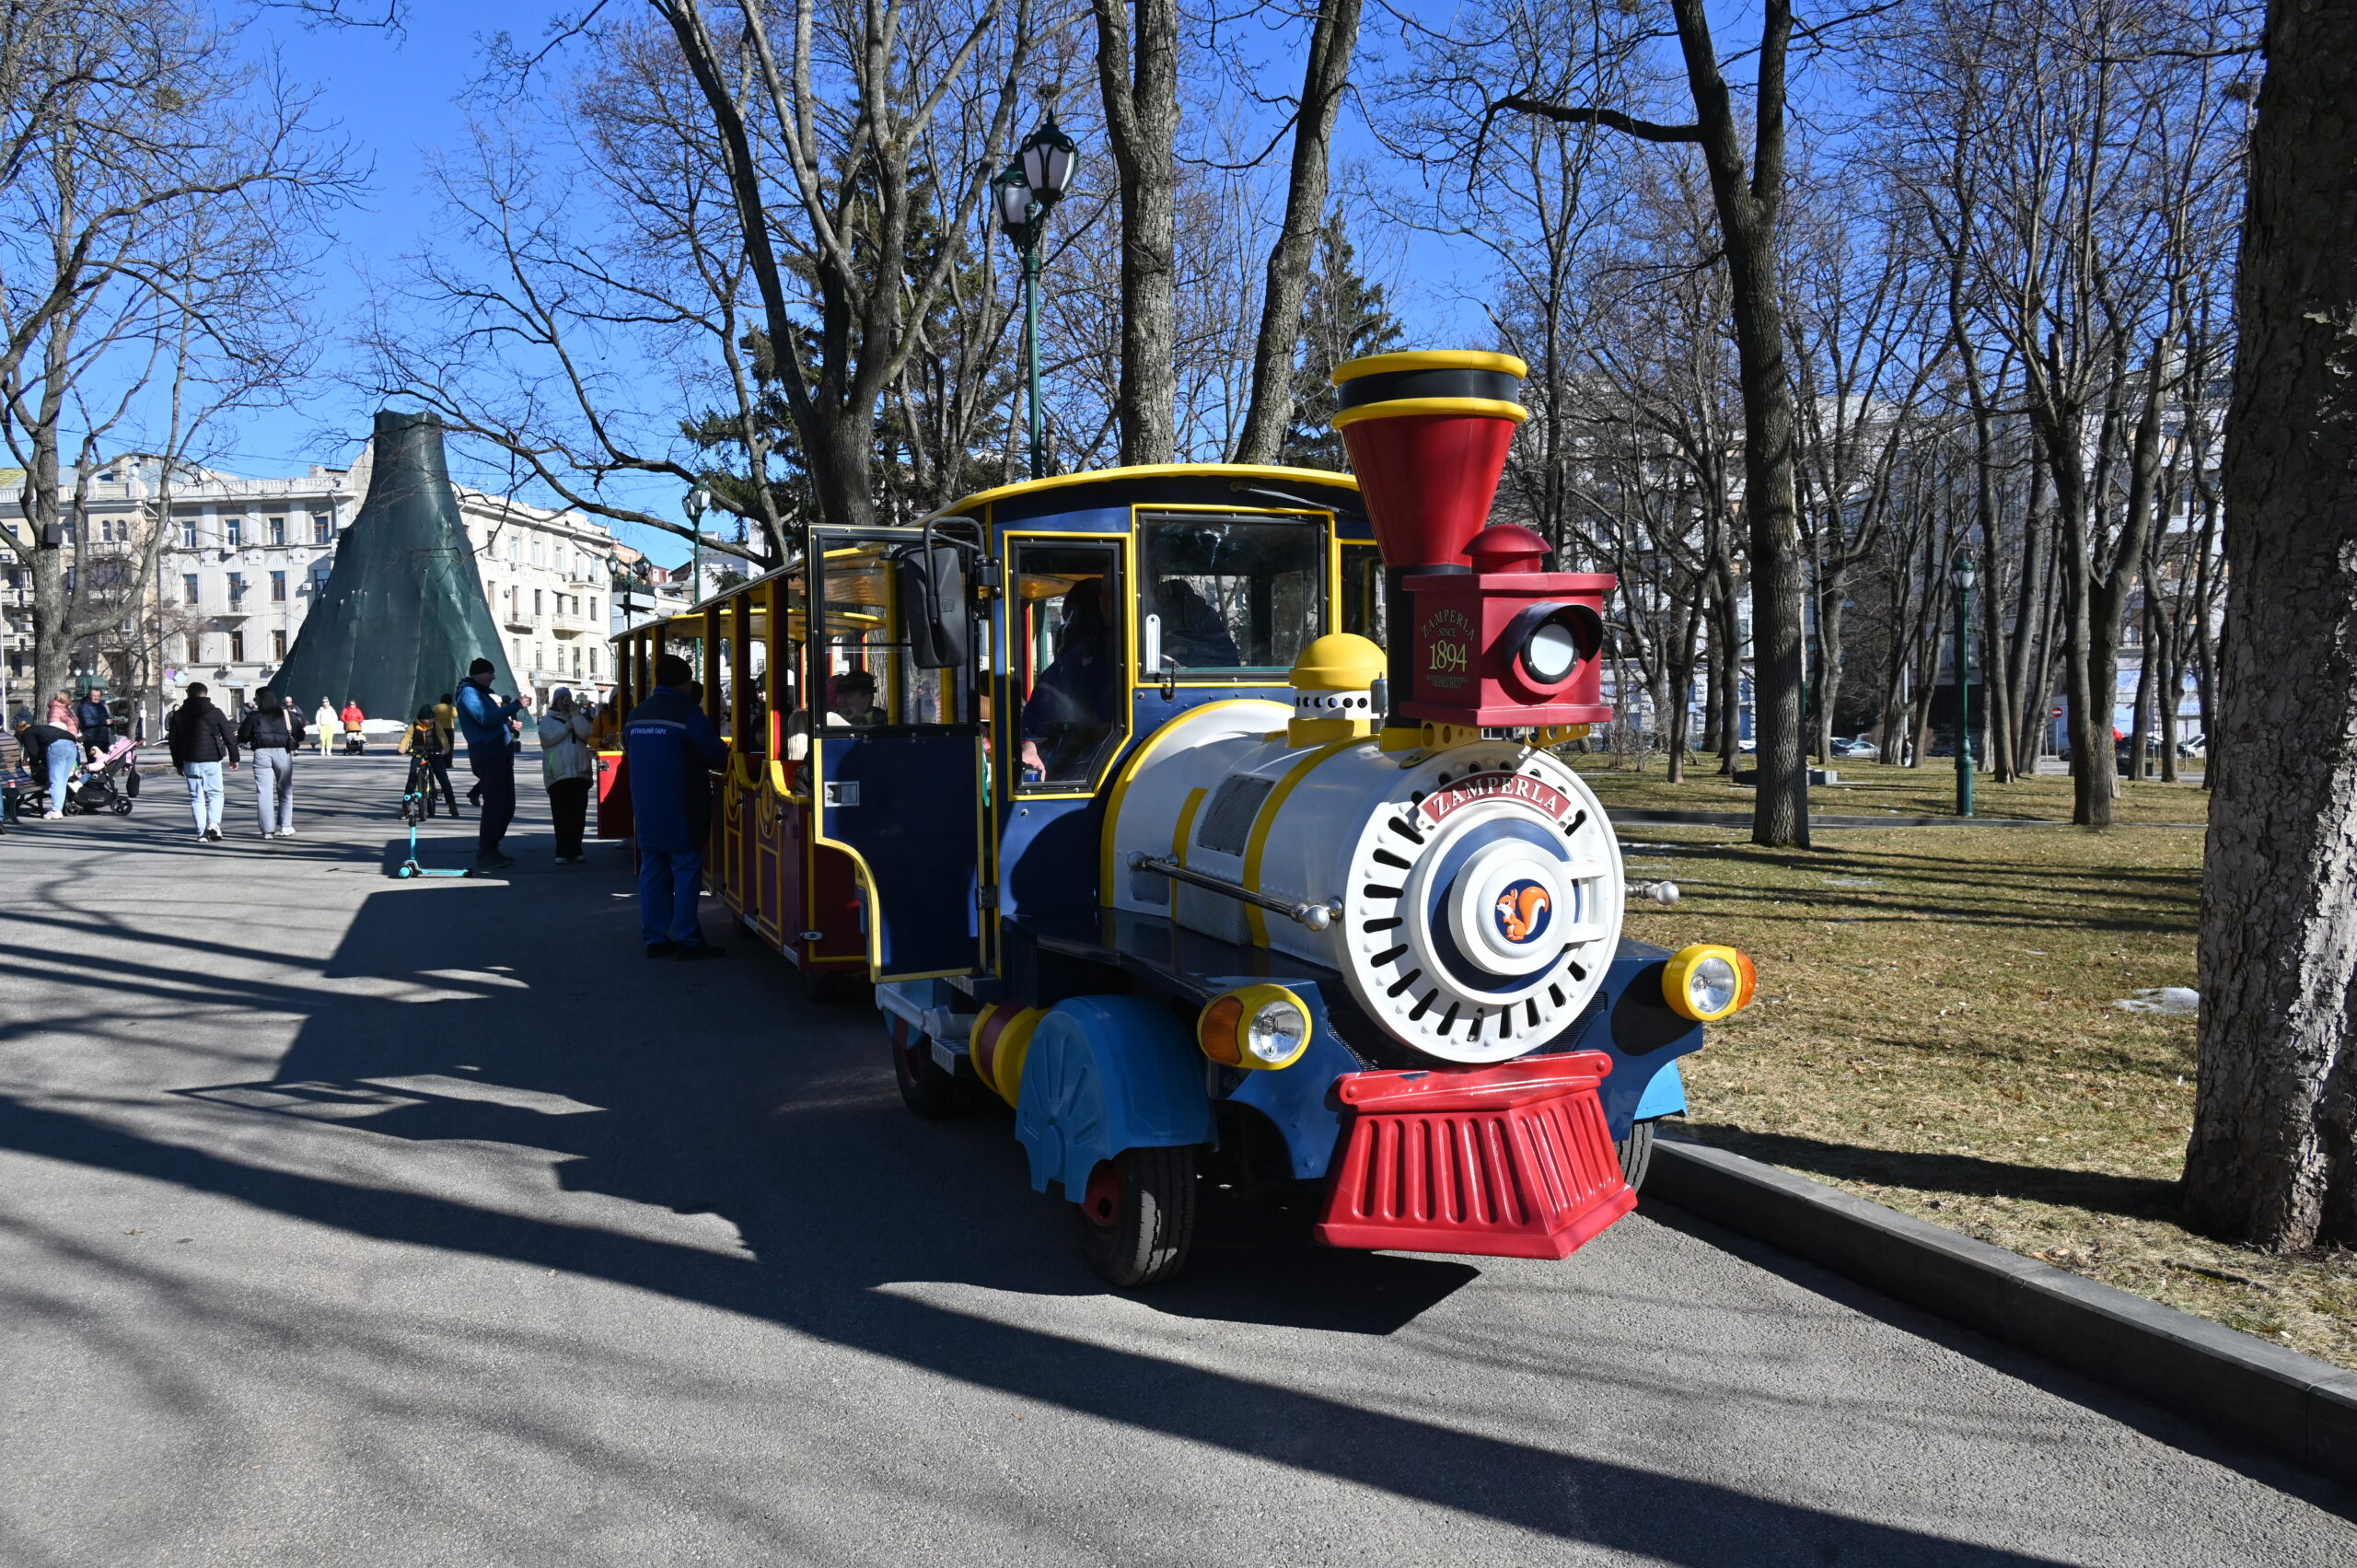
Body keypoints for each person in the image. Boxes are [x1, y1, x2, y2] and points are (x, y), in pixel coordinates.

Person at [623, 652, 726, 958]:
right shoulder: (688, 713)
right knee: (685, 871)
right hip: (682, 804)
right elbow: (715, 755)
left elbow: (629, 750)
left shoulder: (637, 714)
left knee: (653, 871)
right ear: (686, 682)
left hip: (646, 805)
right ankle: (688, 938)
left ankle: (655, 938)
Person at [1019, 578, 1116, 779]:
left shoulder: (1076, 662)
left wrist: (1029, 743)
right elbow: (1037, 718)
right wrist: (1028, 745)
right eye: (1103, 594)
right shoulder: (1076, 662)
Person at [455, 657, 528, 872]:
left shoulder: (480, 693)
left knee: (506, 806)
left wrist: (508, 726)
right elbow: (485, 718)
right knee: (496, 806)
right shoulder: (469, 693)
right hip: (489, 755)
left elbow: (490, 721)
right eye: (490, 673)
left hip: (499, 755)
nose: (494, 677)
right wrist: (516, 705)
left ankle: (492, 848)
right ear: (478, 673)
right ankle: (487, 851)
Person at [166, 681, 238, 842]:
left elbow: (173, 742)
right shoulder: (216, 712)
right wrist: (234, 758)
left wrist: (178, 764)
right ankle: (213, 824)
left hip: (190, 761)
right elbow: (229, 736)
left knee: (196, 797)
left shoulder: (178, 715)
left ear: (188, 694)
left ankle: (200, 833)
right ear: (205, 694)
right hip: (212, 759)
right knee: (216, 794)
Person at [235, 685, 304, 839]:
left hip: (261, 753)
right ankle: (286, 826)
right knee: (285, 790)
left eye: (256, 698)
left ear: (260, 699)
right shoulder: (287, 715)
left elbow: (242, 735)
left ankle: (267, 830)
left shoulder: (254, 716)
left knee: (263, 792)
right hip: (283, 753)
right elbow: (300, 733)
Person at [539, 686, 595, 864]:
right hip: (558, 774)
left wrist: (575, 715)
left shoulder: (578, 717)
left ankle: (576, 849)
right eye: (561, 697)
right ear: (554, 701)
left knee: (578, 814)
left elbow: (586, 734)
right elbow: (548, 739)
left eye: (567, 697)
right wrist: (567, 727)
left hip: (579, 772)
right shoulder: (547, 720)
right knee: (561, 814)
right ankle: (562, 851)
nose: (565, 700)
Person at [14, 713, 78, 819]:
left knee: (55, 780)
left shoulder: (27, 733)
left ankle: (56, 810)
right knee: (62, 780)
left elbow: (33, 752)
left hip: (58, 747)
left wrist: (34, 764)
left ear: (20, 732)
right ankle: (58, 808)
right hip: (72, 745)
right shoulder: (40, 729)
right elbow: (43, 752)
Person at [399, 706, 459, 818]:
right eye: (429, 719)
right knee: (412, 777)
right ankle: (405, 807)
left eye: (432, 718)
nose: (432, 720)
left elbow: (443, 738)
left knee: (443, 777)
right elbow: (406, 737)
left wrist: (445, 748)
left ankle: (452, 804)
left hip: (434, 752)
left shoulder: (436, 725)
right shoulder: (414, 725)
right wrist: (402, 747)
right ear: (422, 719)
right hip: (418, 752)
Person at [824, 670, 888, 726]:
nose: (841, 700)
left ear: (866, 699)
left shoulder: (881, 718)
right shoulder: (827, 718)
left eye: (848, 695)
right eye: (839, 694)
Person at [74, 685, 115, 759]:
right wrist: (105, 722)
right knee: (94, 762)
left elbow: (106, 720)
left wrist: (112, 723)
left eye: (98, 696)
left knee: (105, 762)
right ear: (89, 696)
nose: (96, 698)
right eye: (94, 696)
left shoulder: (101, 706)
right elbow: (87, 722)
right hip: (92, 739)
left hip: (104, 739)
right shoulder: (83, 707)